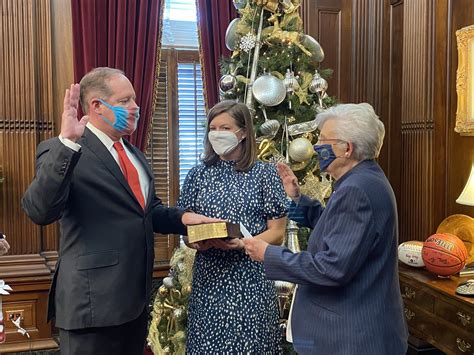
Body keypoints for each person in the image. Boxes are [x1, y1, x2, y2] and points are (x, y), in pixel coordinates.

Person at [21, 67, 217, 355]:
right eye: (125, 100)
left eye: (134, 100)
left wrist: (185, 218)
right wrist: (67, 144)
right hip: (91, 307)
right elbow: (39, 209)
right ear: (97, 106)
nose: (135, 107)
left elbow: (146, 212)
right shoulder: (61, 150)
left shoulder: (134, 155)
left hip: (134, 303)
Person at [244, 103, 408, 355]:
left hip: (350, 338)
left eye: (322, 139)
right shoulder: (362, 179)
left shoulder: (357, 189)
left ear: (346, 148)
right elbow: (335, 228)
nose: (316, 146)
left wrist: (268, 253)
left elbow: (331, 268)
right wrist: (297, 200)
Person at [177, 100, 288, 353]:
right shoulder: (197, 175)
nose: (217, 133)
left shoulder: (264, 174)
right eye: (212, 127)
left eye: (225, 128)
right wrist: (196, 241)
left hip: (250, 281)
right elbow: (185, 232)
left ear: (244, 132)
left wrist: (243, 244)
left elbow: (278, 233)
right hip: (209, 283)